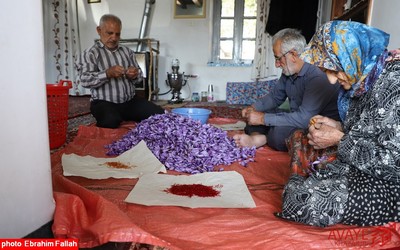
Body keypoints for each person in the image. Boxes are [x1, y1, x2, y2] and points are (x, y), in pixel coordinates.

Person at [276, 20, 400, 227]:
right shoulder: (364, 78)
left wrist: (340, 139)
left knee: (303, 203)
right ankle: (305, 183)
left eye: (335, 70)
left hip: (390, 183)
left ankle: (302, 186)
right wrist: (337, 126)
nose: (332, 81)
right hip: (361, 164)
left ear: (352, 56)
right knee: (299, 137)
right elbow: (368, 130)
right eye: (327, 71)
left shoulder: (394, 85)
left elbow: (393, 164)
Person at [233, 28, 340, 151]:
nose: (276, 64)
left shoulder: (317, 75)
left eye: (278, 58)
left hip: (314, 123)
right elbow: (275, 97)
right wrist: (254, 108)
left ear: (293, 55)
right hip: (297, 117)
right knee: (253, 120)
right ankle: (255, 138)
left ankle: (263, 138)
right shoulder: (289, 71)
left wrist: (263, 118)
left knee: (278, 134)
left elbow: (304, 119)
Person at [75, 14, 164, 128]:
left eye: (117, 34)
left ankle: (124, 115)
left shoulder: (127, 52)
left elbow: (140, 78)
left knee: (159, 114)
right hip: (104, 102)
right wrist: (107, 74)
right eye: (110, 33)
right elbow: (85, 81)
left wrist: (135, 75)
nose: (114, 38)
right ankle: (117, 116)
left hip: (130, 101)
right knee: (110, 122)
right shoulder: (90, 54)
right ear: (99, 30)